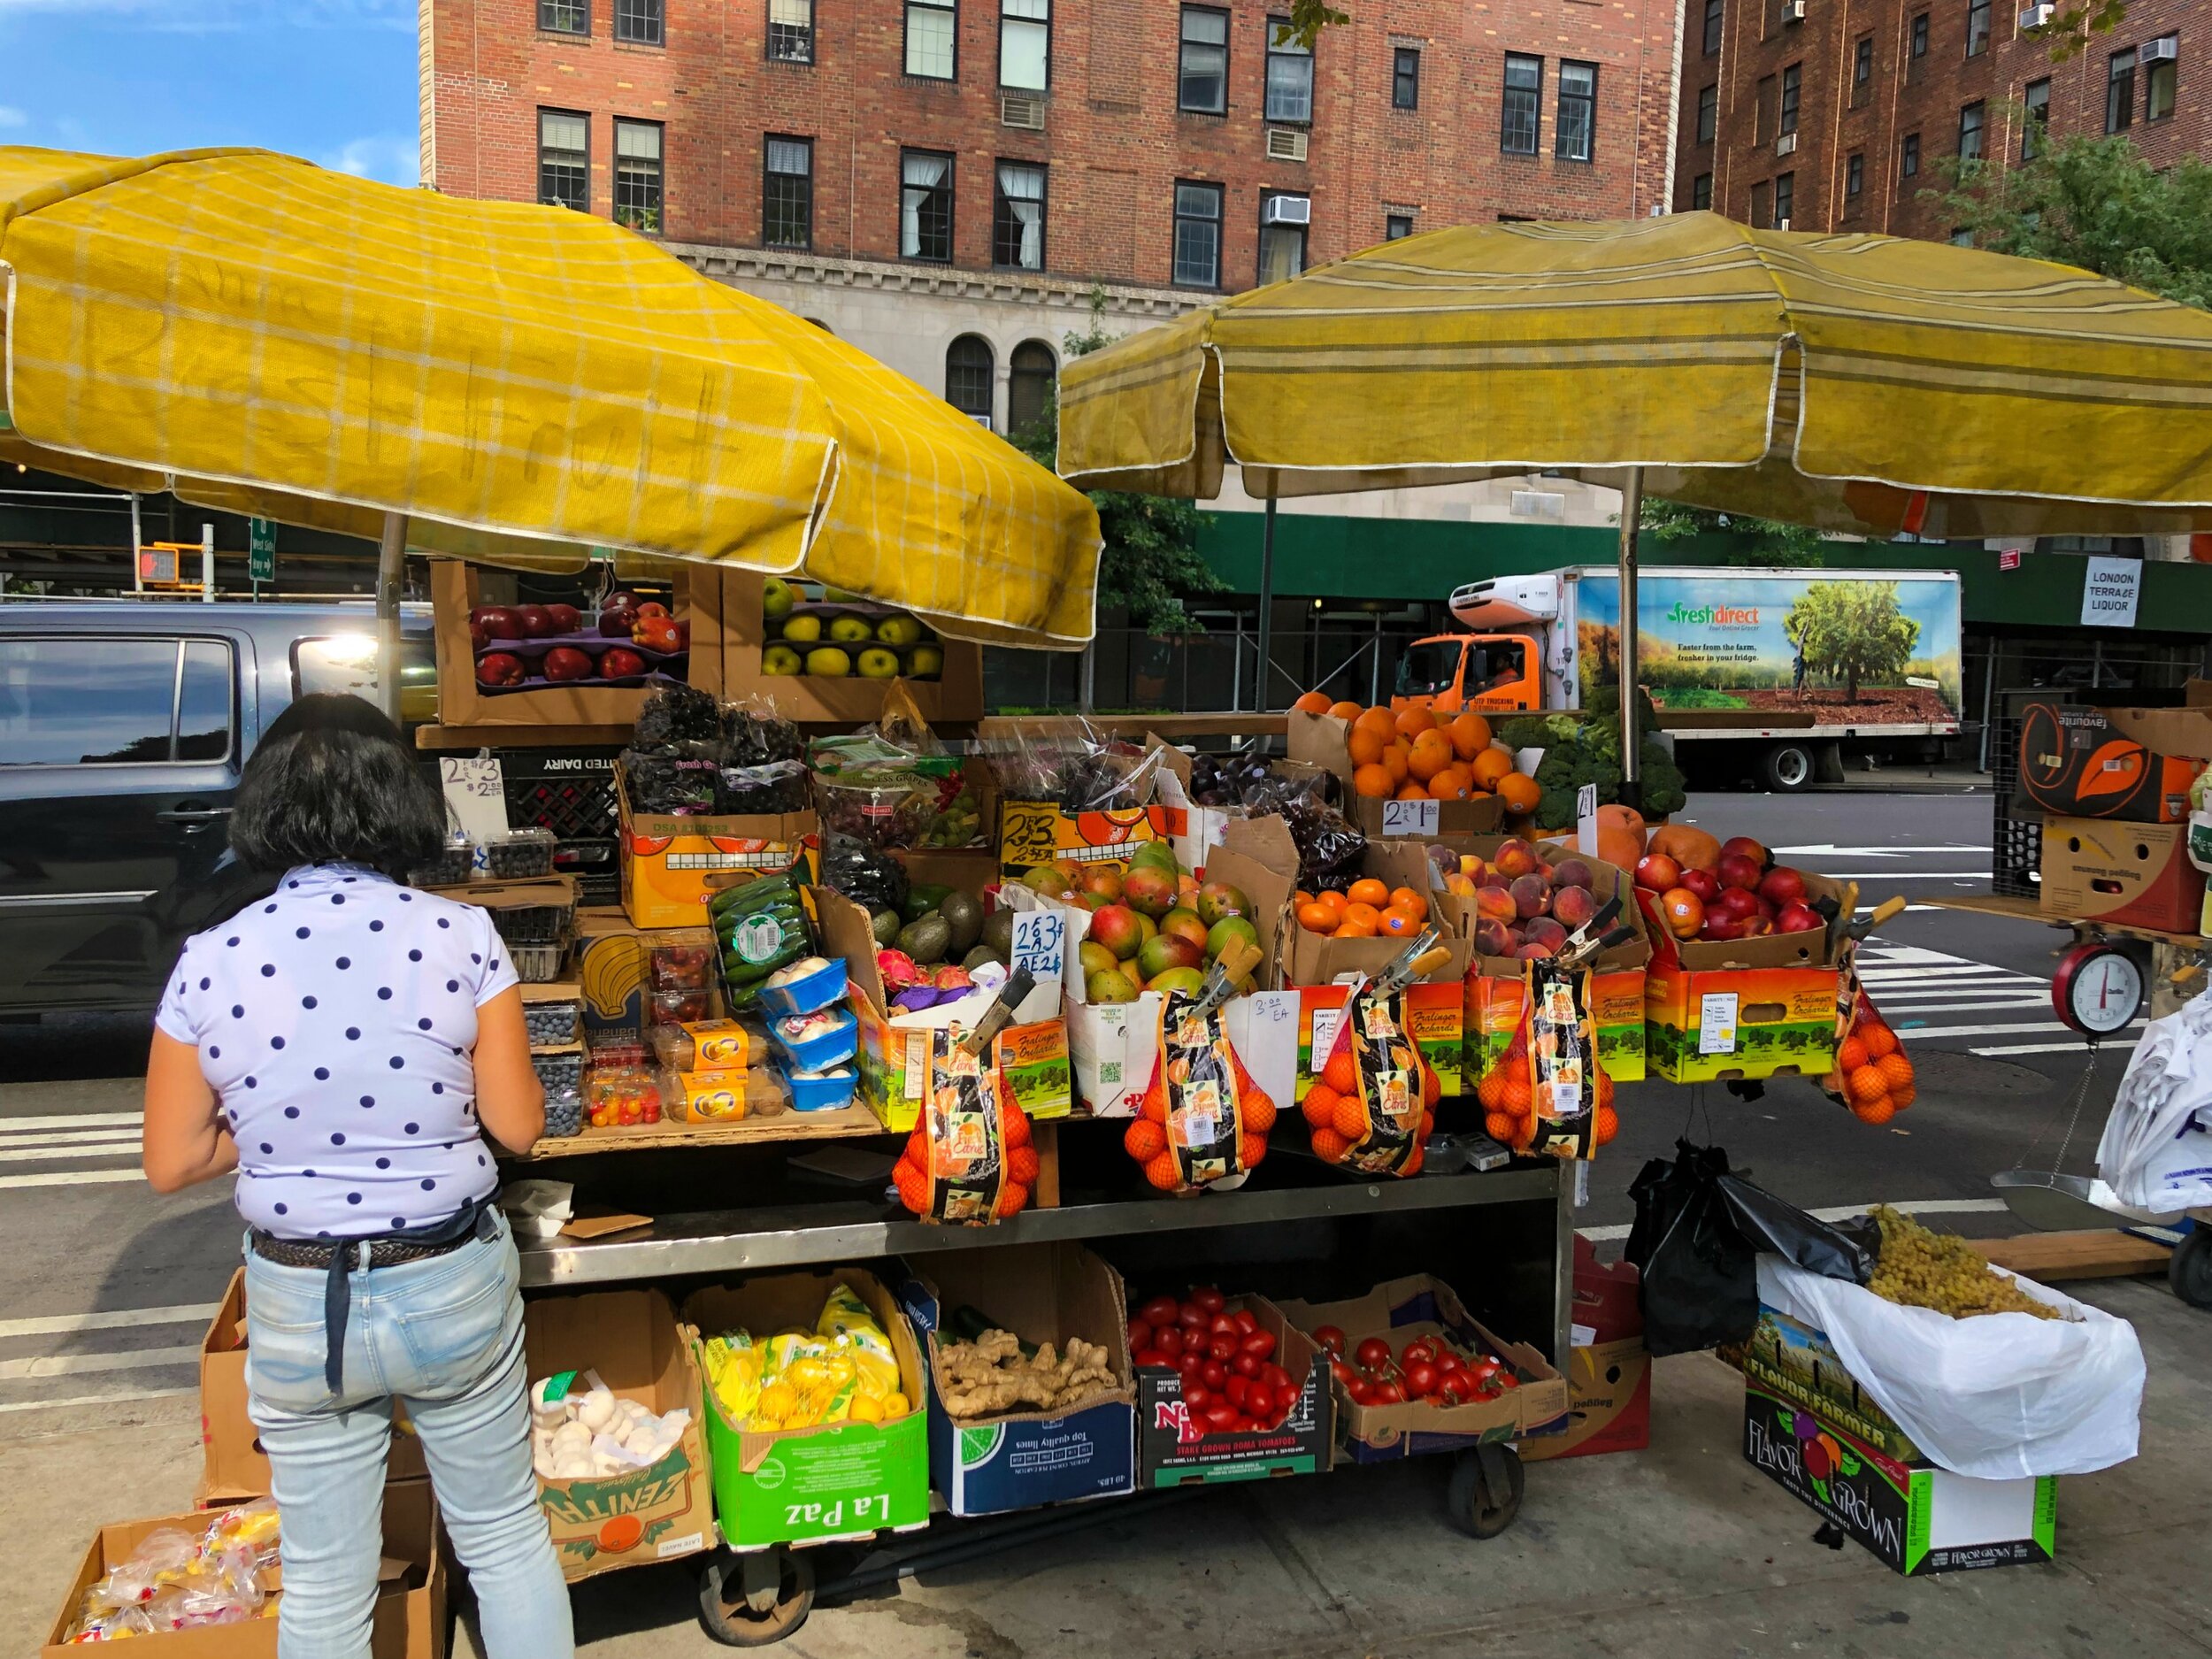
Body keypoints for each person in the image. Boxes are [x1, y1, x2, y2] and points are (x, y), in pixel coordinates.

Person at [142, 694, 572, 1659]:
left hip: (299, 1297)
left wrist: (269, 1138)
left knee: (326, 1586)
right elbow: (519, 1127)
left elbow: (171, 1162)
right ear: (403, 802)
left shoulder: (209, 960)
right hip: (449, 1276)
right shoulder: (460, 935)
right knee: (503, 1538)